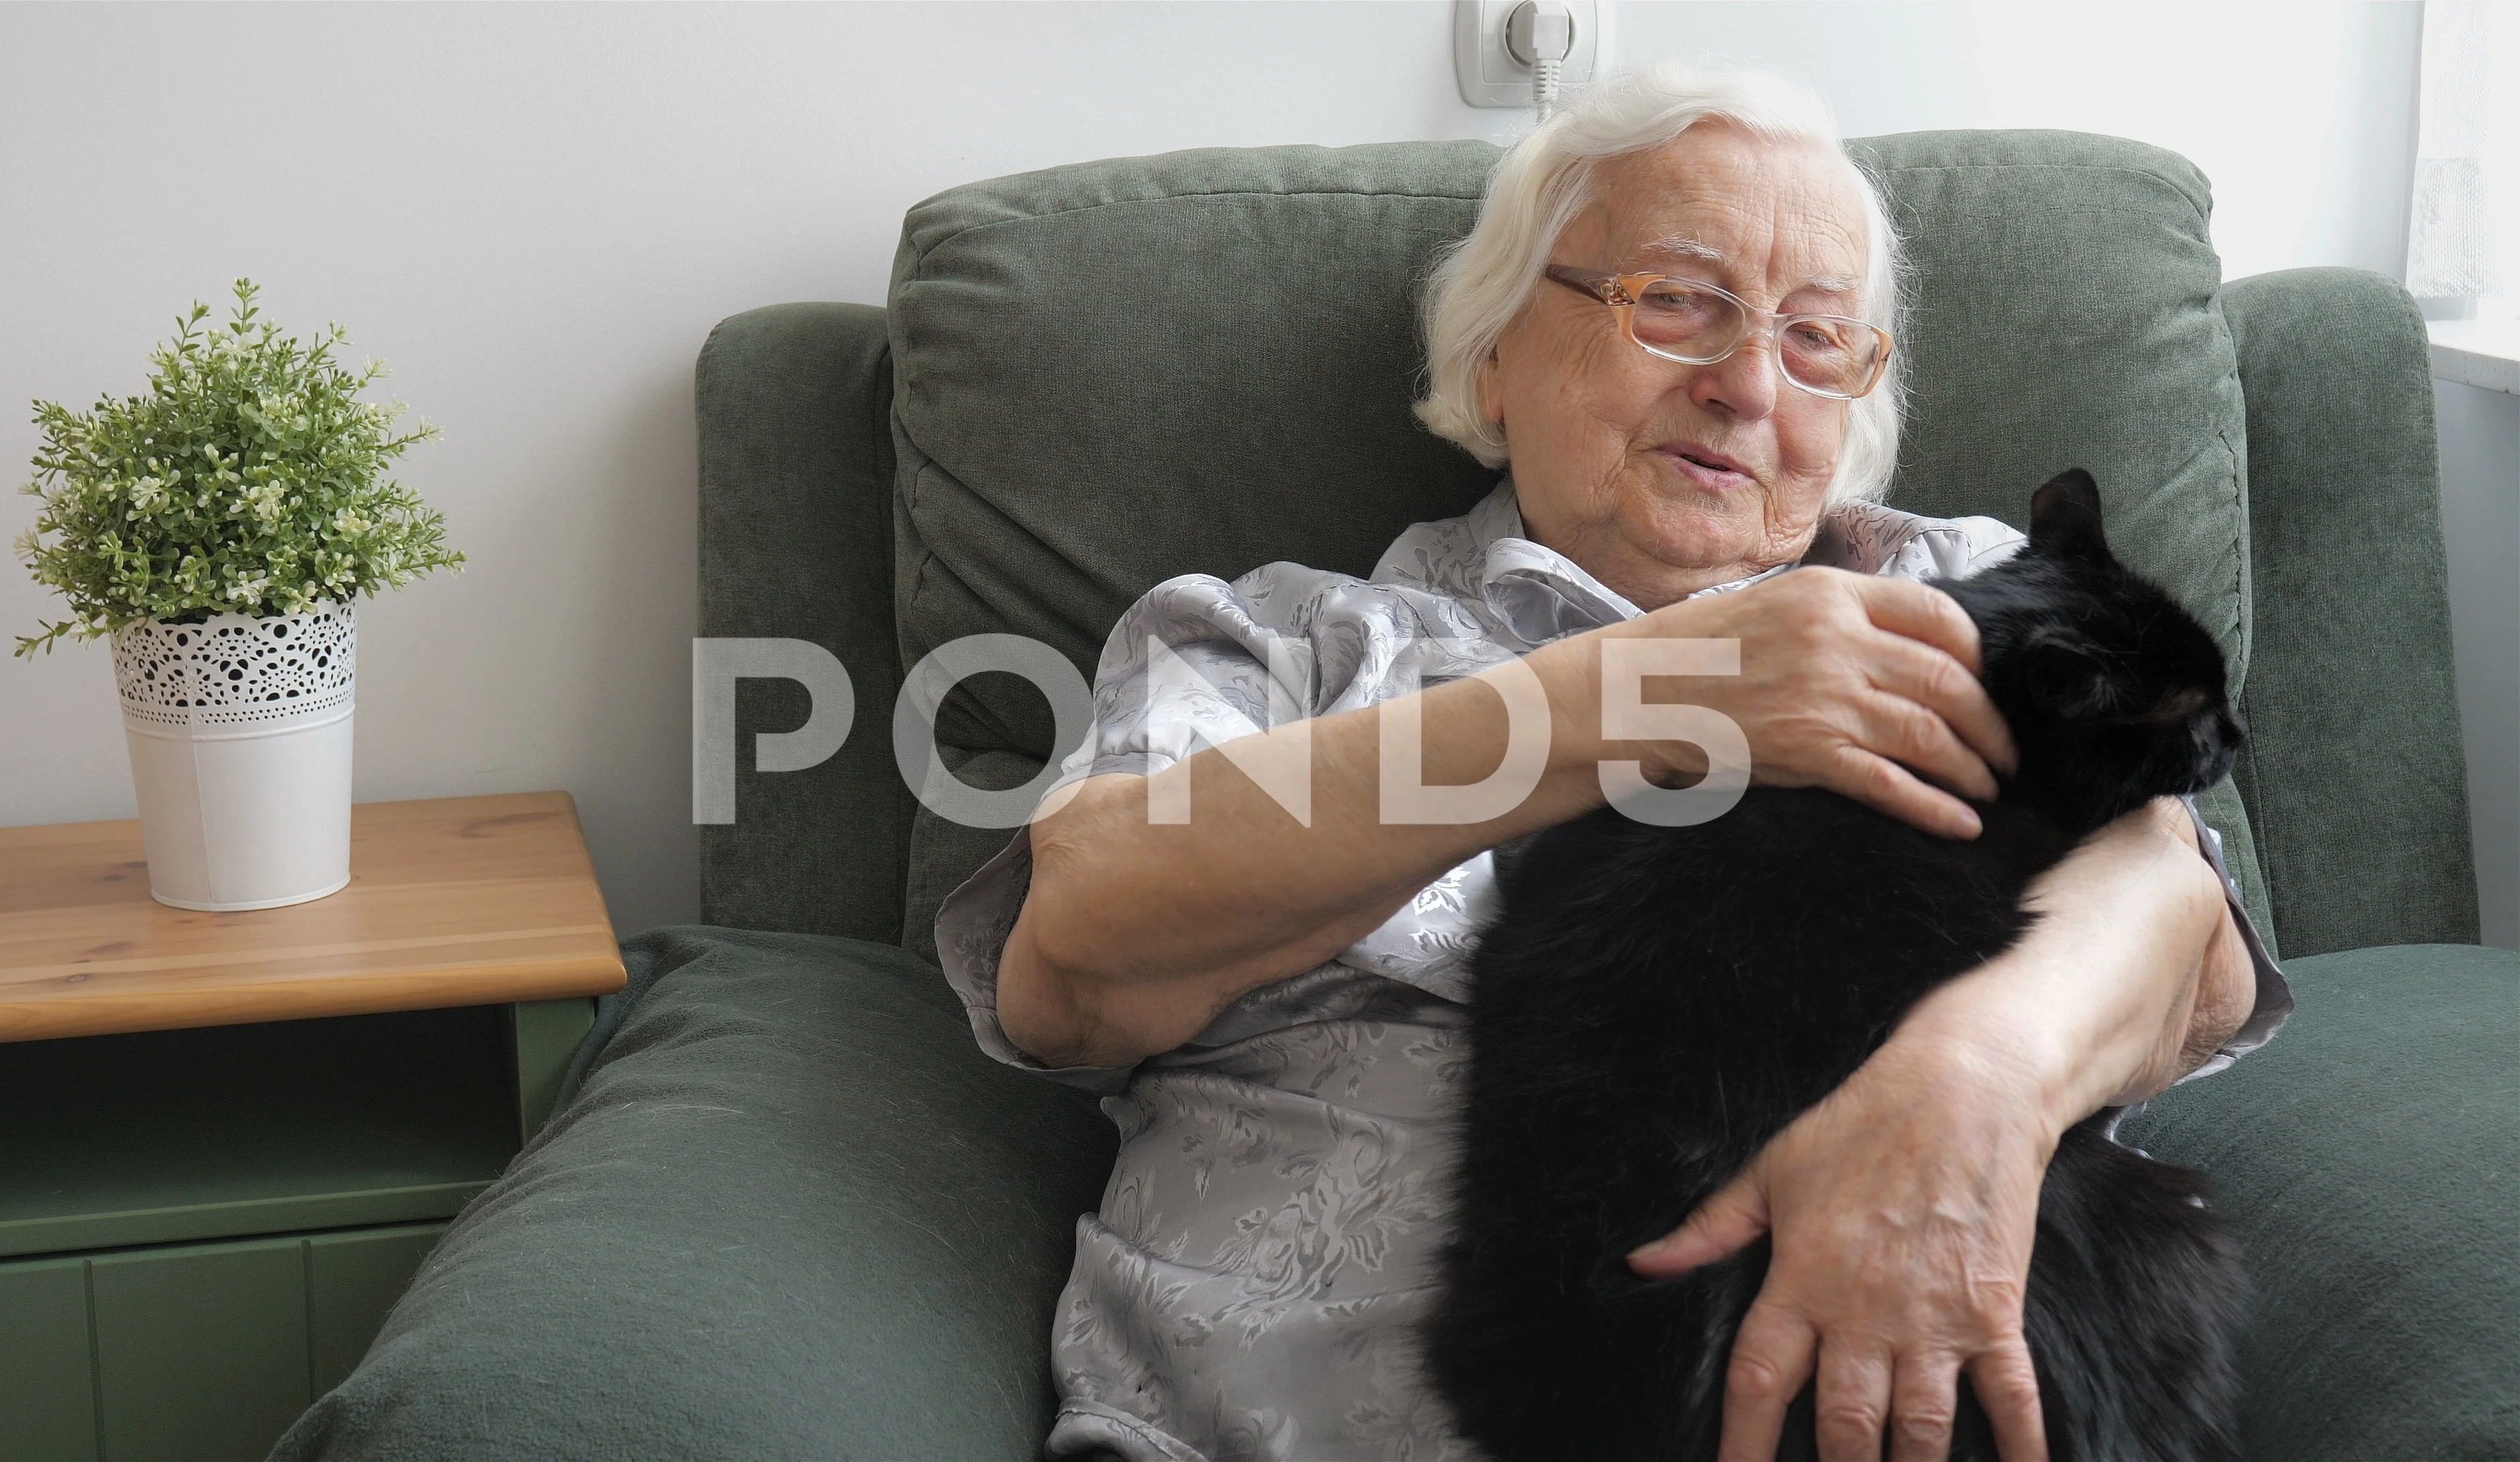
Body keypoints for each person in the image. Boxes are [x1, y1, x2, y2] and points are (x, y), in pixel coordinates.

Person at [937, 63, 2289, 1462]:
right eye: (1681, 302)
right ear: (1495, 347)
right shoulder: (1287, 638)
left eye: (1819, 339)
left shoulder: (1955, 587)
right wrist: (1659, 692)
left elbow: (2188, 933)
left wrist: (1974, 1081)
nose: (1750, 384)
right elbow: (1075, 961)